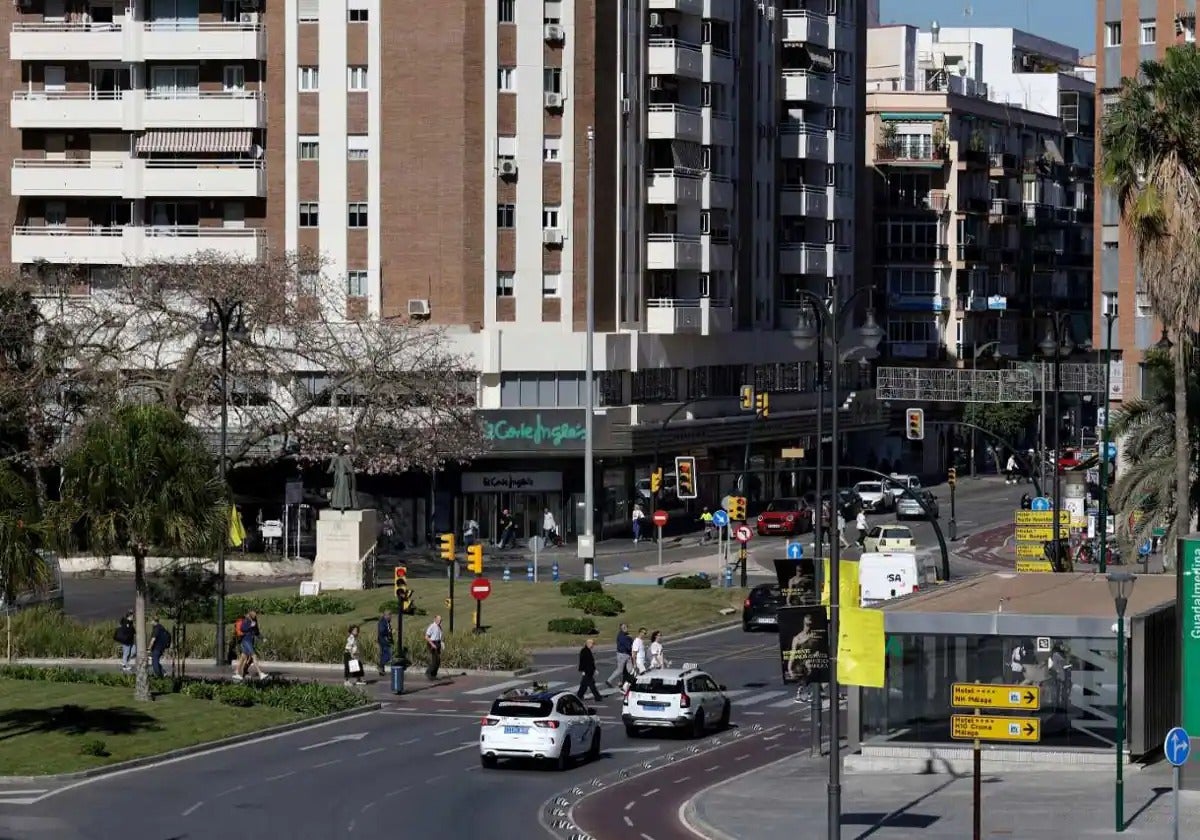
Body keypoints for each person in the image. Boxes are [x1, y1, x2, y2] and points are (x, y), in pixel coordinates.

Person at [234, 610, 267, 681]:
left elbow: (257, 632)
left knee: (243, 657)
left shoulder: (254, 622)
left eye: (255, 616)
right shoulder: (246, 621)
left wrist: (262, 638)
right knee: (253, 655)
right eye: (254, 615)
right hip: (245, 640)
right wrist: (250, 625)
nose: (255, 617)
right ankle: (260, 673)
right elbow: (243, 629)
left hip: (250, 641)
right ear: (250, 615)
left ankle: (237, 672)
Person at [606, 623, 632, 688]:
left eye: (626, 627)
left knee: (630, 670)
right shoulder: (621, 636)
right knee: (620, 670)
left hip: (627, 654)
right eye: (623, 627)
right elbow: (628, 646)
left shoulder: (626, 635)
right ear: (621, 629)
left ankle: (629, 682)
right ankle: (609, 680)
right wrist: (633, 649)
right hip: (622, 655)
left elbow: (630, 642)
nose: (625, 628)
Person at [424, 615, 444, 680]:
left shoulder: (440, 627)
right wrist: (432, 644)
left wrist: (442, 644)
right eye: (438, 620)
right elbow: (426, 637)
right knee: (435, 660)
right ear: (435, 619)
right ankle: (428, 673)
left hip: (437, 643)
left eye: (441, 620)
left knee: (438, 661)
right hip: (432, 643)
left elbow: (440, 637)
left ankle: (434, 674)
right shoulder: (432, 626)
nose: (440, 621)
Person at [377, 610, 393, 676]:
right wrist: (390, 632)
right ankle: (380, 666)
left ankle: (382, 670)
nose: (391, 617)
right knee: (388, 655)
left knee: (383, 654)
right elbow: (381, 631)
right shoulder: (382, 622)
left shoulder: (387, 621)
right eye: (390, 615)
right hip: (383, 640)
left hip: (386, 640)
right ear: (386, 615)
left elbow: (388, 629)